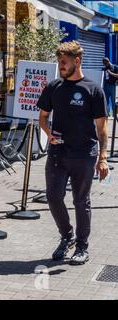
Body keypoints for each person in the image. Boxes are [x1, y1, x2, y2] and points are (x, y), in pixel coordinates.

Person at [38, 41, 109, 265]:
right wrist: (48, 133)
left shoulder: (93, 90)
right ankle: (67, 235)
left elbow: (102, 127)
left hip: (84, 154)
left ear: (77, 61)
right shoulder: (53, 87)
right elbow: (42, 116)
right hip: (58, 153)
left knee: (81, 201)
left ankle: (82, 246)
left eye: (63, 62)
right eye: (59, 62)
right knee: (53, 197)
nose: (60, 66)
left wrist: (103, 157)